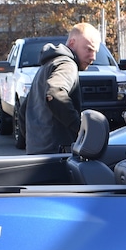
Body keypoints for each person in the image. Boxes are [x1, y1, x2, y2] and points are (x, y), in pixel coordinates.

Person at [24, 22, 102, 154]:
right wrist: (79, 128)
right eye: (88, 49)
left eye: (95, 51)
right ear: (72, 43)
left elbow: (24, 109)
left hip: (37, 153)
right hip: (57, 154)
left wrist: (30, 143)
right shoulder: (67, 64)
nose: (93, 57)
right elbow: (54, 93)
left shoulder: (47, 65)